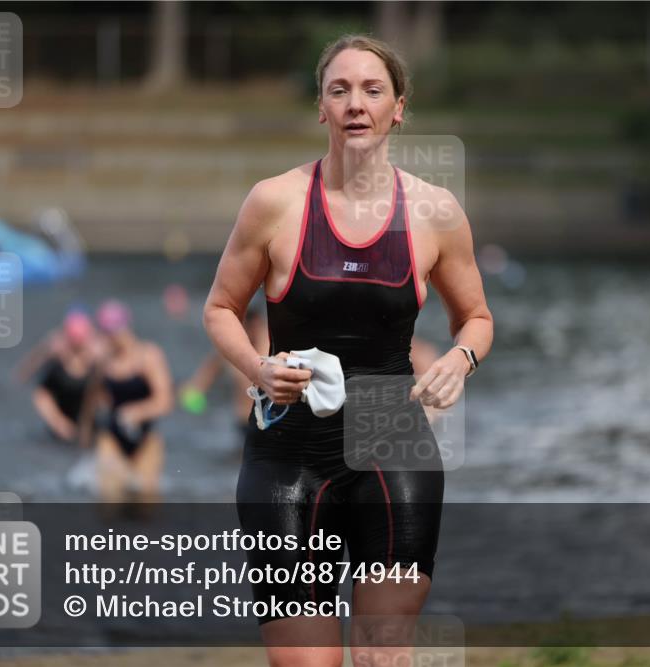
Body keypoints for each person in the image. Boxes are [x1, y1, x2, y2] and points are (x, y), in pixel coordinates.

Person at [203, 35, 493, 666]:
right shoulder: (274, 202)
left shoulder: (434, 212)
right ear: (321, 108)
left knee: (383, 655)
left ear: (398, 109)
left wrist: (459, 360)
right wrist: (257, 367)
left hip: (391, 434)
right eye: (340, 90)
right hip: (288, 448)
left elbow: (476, 318)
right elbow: (220, 308)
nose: (355, 103)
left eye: (372, 90)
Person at [81, 299, 174, 503]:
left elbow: (165, 401)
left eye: (113, 332)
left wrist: (137, 411)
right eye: (106, 333)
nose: (111, 338)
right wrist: (86, 431)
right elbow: (92, 396)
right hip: (112, 437)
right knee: (110, 500)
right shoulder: (103, 360)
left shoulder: (148, 355)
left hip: (146, 438)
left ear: (125, 327)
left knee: (146, 501)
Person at [14, 308, 100, 444]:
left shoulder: (97, 351)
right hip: (63, 409)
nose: (77, 350)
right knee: (44, 394)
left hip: (89, 413)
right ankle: (62, 425)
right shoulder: (58, 348)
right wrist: (58, 423)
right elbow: (41, 392)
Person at [179, 306, 270, 434]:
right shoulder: (229, 352)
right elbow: (201, 381)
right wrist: (189, 392)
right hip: (244, 422)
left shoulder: (270, 346)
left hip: (271, 420)